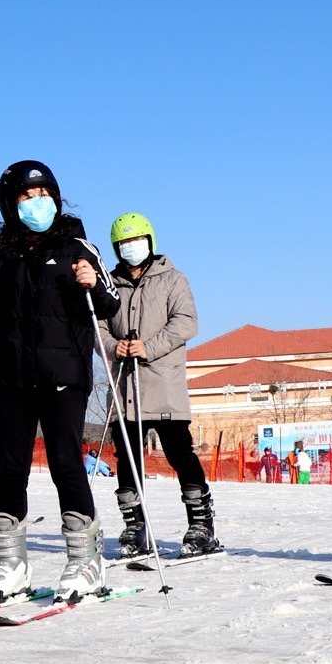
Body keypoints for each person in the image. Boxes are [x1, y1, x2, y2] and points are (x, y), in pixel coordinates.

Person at [0, 160, 119, 604]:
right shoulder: (1, 256)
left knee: (66, 463)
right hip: (10, 375)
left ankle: (85, 559)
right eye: (26, 196)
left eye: (43, 193)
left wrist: (93, 283)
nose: (36, 202)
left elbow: (108, 303)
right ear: (10, 204)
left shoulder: (77, 245)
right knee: (9, 469)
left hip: (64, 374)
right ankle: (11, 563)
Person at [102, 212, 218, 559]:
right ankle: (134, 526)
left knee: (179, 453)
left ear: (150, 242)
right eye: (124, 244)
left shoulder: (172, 279)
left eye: (137, 241)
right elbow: (98, 326)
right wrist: (114, 346)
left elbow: (186, 322)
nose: (131, 249)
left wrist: (148, 347)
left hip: (162, 381)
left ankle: (201, 524)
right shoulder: (109, 284)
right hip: (125, 386)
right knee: (127, 457)